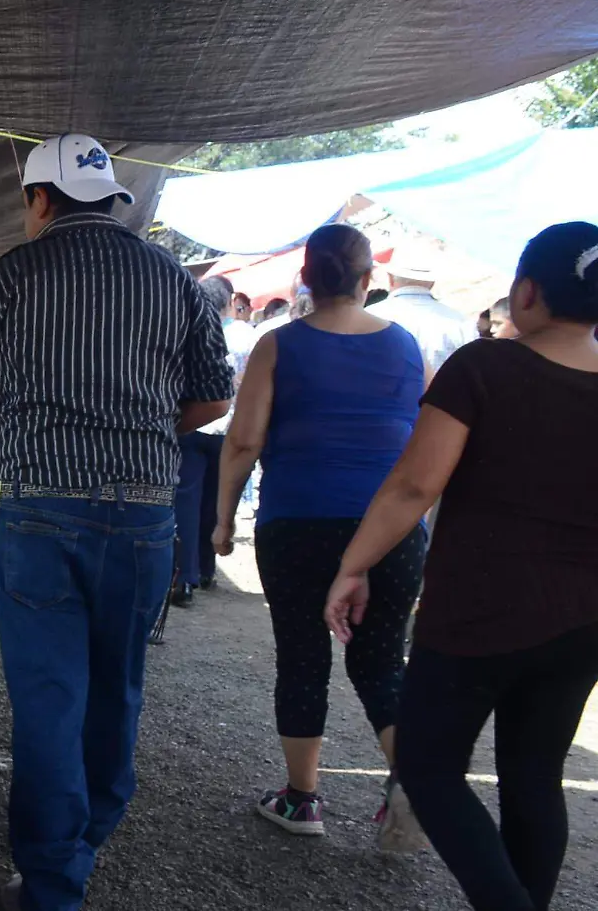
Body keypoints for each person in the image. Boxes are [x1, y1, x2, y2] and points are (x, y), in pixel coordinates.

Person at [0, 134, 232, 911]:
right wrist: (140, 431)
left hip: (41, 511)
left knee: (48, 699)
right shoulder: (172, 277)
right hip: (144, 514)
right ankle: (88, 837)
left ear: (39, 200)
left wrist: (34, 426)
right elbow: (213, 394)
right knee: (116, 688)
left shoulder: (11, 275)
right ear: (111, 200)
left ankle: (51, 880)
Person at [325, 222, 598, 911]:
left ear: (527, 290)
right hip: (583, 616)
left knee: (428, 764)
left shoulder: (484, 367)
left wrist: (353, 565)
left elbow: (416, 485)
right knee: (533, 777)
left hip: (479, 605)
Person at [211, 224, 427, 846]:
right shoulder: (408, 346)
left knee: (303, 656)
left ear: (305, 279)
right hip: (389, 527)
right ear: (367, 281)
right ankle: (410, 779)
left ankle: (302, 801)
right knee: (382, 657)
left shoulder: (281, 345)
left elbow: (244, 439)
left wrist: (224, 520)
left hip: (298, 520)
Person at [170, 275, 256, 606]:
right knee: (218, 501)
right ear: (230, 301)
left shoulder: (187, 325)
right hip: (232, 429)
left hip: (193, 423)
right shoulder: (247, 335)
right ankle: (208, 568)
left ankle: (185, 575)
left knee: (187, 502)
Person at [369, 241, 475, 382]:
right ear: (432, 282)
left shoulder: (370, 315)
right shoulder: (462, 324)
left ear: (390, 278)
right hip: (440, 401)